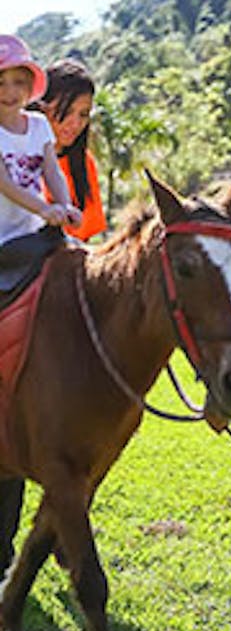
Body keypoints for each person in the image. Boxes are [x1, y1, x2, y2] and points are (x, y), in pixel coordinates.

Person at [0, 36, 83, 581]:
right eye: (1, 83)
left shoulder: (38, 128)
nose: (9, 92)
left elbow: (50, 170)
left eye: (17, 82)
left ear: (33, 85)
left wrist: (66, 205)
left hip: (41, 235)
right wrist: (48, 209)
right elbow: (6, 184)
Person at [38, 58, 107, 242]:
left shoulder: (85, 163)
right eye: (67, 111)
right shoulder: (18, 155)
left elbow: (86, 236)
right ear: (42, 106)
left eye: (83, 114)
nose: (75, 124)